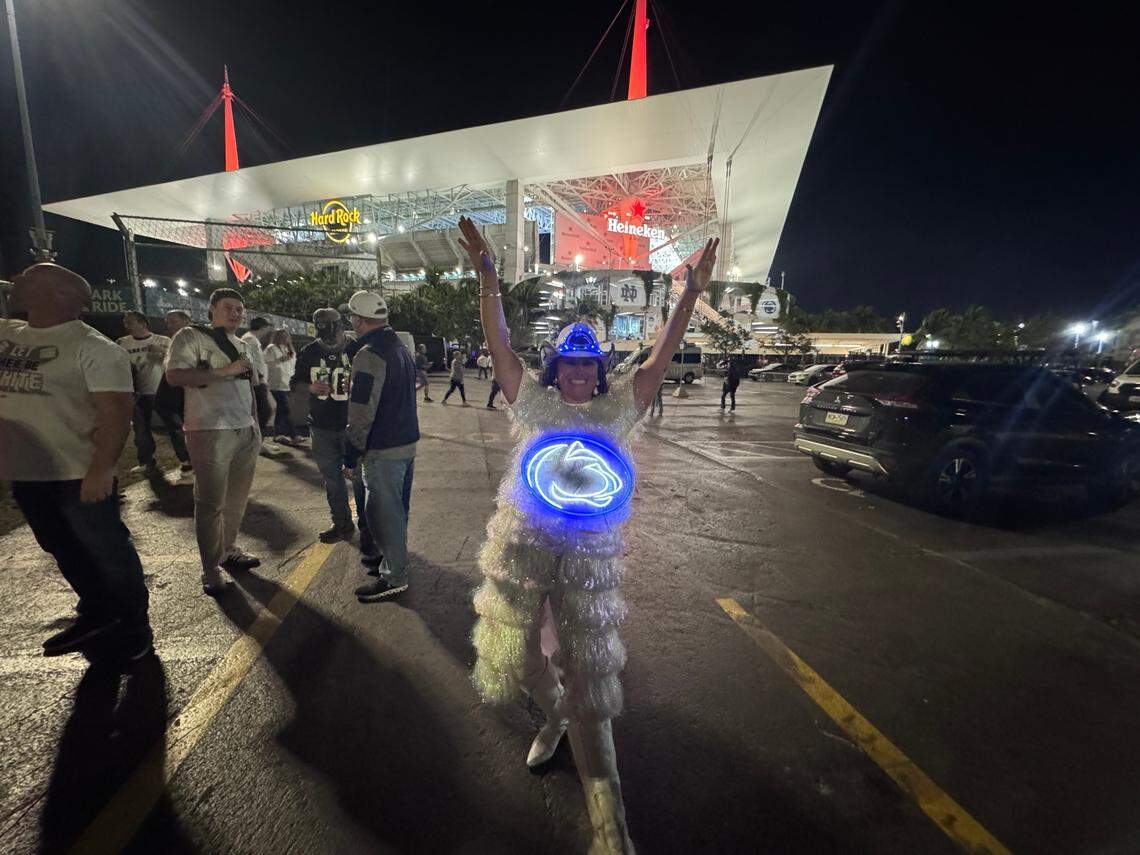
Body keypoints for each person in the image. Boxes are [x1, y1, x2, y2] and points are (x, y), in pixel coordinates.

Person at [459, 215, 717, 854]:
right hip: (520, 550)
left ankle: (612, 831)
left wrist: (689, 294)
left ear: (601, 374)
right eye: (569, 364)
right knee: (513, 661)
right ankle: (553, 716)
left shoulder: (618, 410)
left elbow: (659, 355)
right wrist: (488, 281)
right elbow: (498, 345)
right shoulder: (532, 403)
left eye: (588, 366)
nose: (578, 374)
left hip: (586, 564)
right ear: (556, 369)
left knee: (590, 684)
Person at [0, 263, 153, 661]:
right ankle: (98, 610)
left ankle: (134, 626)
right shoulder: (8, 332)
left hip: (77, 472)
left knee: (107, 550)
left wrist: (102, 468)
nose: (16, 280)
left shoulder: (96, 348)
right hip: (28, 470)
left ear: (60, 295)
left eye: (28, 277)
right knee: (59, 546)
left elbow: (116, 414)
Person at [165, 288, 262, 595]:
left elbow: (250, 389)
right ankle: (210, 568)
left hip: (244, 428)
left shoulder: (242, 344)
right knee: (210, 503)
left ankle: (229, 549)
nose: (236, 313)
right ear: (212, 309)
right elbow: (175, 377)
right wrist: (225, 371)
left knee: (236, 499)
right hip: (209, 429)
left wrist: (256, 426)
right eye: (228, 307)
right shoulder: (191, 337)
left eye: (239, 309)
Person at [343, 291, 420, 602]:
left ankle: (394, 577)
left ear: (358, 320)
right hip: (405, 443)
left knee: (383, 515)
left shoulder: (370, 355)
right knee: (397, 511)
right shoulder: (400, 348)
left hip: (383, 448)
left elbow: (361, 411)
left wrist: (351, 453)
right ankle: (394, 561)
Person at [292, 307, 372, 554]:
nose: (330, 335)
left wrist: (358, 387)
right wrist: (310, 388)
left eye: (333, 328)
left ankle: (368, 527)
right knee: (332, 480)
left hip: (352, 424)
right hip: (322, 424)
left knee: (361, 478)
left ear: (341, 326)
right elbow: (295, 384)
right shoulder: (309, 352)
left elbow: (376, 384)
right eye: (323, 328)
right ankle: (342, 523)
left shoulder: (357, 349)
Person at [116, 311, 191, 473]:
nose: (126, 325)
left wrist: (162, 353)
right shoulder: (123, 343)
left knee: (175, 427)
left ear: (143, 324)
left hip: (162, 390)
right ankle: (146, 461)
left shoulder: (163, 341)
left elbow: (178, 361)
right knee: (141, 430)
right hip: (138, 393)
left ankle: (186, 459)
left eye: (130, 322)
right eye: (125, 322)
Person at [264, 329, 300, 444]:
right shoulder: (271, 348)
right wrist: (282, 359)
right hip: (276, 383)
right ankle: (294, 435)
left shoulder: (289, 349)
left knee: (281, 409)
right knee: (286, 408)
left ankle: (278, 434)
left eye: (287, 336)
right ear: (277, 337)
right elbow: (268, 363)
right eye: (283, 336)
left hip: (287, 383)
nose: (286, 339)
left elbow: (293, 364)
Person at [242, 317, 273, 444]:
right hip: (257, 381)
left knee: (262, 411)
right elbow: (249, 360)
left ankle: (259, 441)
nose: (267, 331)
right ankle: (257, 442)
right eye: (267, 328)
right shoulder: (250, 340)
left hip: (258, 380)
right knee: (264, 411)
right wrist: (257, 376)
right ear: (263, 327)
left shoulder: (252, 339)